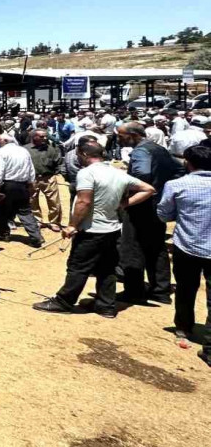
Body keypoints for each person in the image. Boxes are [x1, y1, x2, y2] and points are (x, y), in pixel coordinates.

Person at [33, 143, 155, 318]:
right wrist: (123, 204)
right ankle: (106, 306)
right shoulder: (118, 173)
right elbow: (149, 189)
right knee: (107, 268)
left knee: (78, 266)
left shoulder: (87, 173)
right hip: (112, 229)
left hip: (91, 230)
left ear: (83, 154)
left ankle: (63, 301)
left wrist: (73, 225)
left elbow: (84, 201)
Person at [118, 122, 183, 305]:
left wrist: (128, 187)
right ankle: (160, 290)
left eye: (121, 135)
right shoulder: (158, 148)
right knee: (157, 247)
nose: (118, 138)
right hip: (157, 206)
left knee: (131, 247)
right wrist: (163, 190)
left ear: (132, 135)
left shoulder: (140, 151)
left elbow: (142, 175)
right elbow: (179, 169)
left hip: (140, 206)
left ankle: (134, 291)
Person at [156, 146, 211, 355]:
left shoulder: (176, 185)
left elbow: (164, 214)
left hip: (187, 245)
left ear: (188, 163)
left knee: (186, 289)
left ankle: (183, 327)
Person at [0, 134, 44, 247]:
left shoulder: (2, 151)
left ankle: (2, 234)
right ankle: (36, 236)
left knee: (1, 210)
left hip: (7, 185)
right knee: (25, 211)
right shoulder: (24, 151)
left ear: (5, 141)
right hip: (23, 185)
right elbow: (31, 168)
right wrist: (31, 183)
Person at [25, 130, 64, 232]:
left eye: (46, 136)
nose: (45, 138)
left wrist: (56, 172)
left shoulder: (51, 149)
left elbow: (59, 162)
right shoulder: (25, 149)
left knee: (54, 201)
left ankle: (54, 222)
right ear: (34, 137)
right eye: (42, 137)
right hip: (32, 179)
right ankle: (37, 220)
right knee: (32, 200)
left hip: (49, 177)